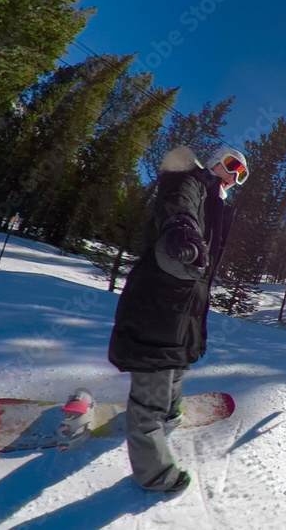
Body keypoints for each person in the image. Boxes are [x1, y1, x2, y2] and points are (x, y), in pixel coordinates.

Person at [108, 145, 248, 493]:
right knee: (154, 379)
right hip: (157, 302)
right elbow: (177, 204)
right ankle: (154, 474)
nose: (234, 176)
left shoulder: (214, 204)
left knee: (176, 367)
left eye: (241, 175)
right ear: (215, 160)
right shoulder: (190, 181)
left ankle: (168, 417)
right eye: (232, 165)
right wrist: (182, 229)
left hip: (182, 308)